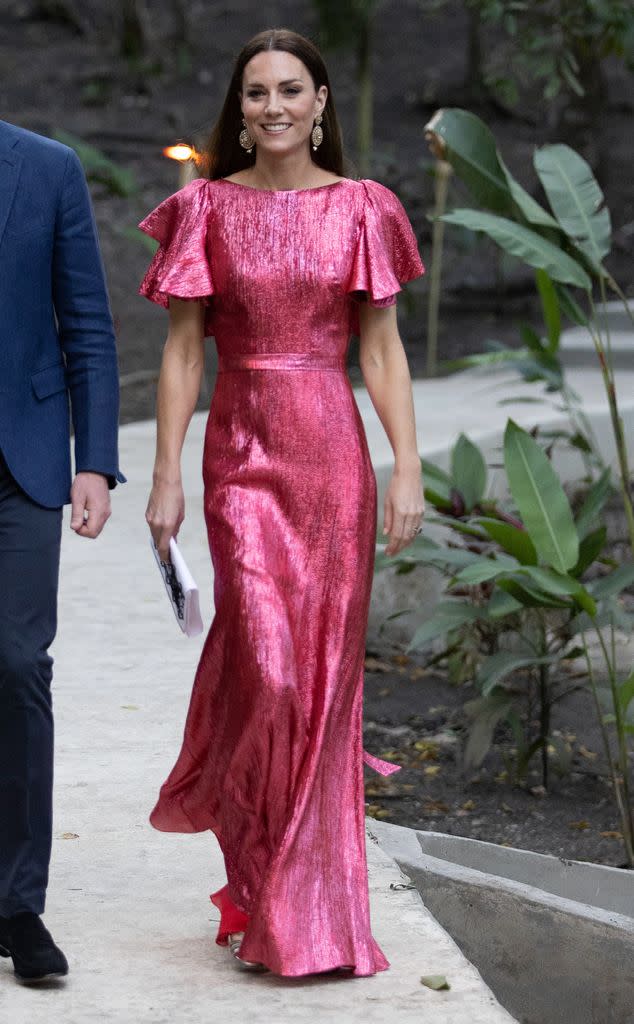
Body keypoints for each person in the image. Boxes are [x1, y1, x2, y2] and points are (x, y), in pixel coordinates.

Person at [140, 27, 424, 977]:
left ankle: (300, 910)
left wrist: (408, 466)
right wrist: (168, 472)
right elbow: (183, 350)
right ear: (241, 106)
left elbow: (380, 349)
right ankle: (261, 878)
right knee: (269, 671)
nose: (272, 107)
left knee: (326, 677)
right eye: (255, 91)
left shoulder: (364, 208)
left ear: (321, 103)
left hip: (332, 458)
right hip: (243, 454)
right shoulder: (205, 207)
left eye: (290, 90)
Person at [0, 119, 124, 983]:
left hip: (25, 457)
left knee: (14, 667)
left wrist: (97, 461)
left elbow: (87, 321)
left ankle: (16, 904)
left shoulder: (47, 168)